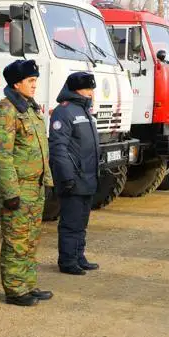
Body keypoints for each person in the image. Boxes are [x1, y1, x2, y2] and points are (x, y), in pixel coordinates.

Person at [0, 59, 54, 306]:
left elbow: (40, 148)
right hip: (19, 187)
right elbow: (1, 155)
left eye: (36, 80)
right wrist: (10, 192)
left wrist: (45, 181)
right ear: (16, 83)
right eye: (30, 81)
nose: (34, 85)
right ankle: (16, 290)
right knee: (16, 239)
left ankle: (28, 284)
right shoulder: (6, 111)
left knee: (31, 238)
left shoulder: (29, 109)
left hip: (34, 186)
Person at [49, 72, 101, 275]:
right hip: (73, 178)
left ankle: (79, 256)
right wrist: (66, 177)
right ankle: (68, 261)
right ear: (75, 90)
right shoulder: (65, 112)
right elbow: (58, 148)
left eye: (92, 89)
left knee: (81, 221)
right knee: (71, 223)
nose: (91, 93)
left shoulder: (85, 111)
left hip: (87, 177)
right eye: (88, 89)